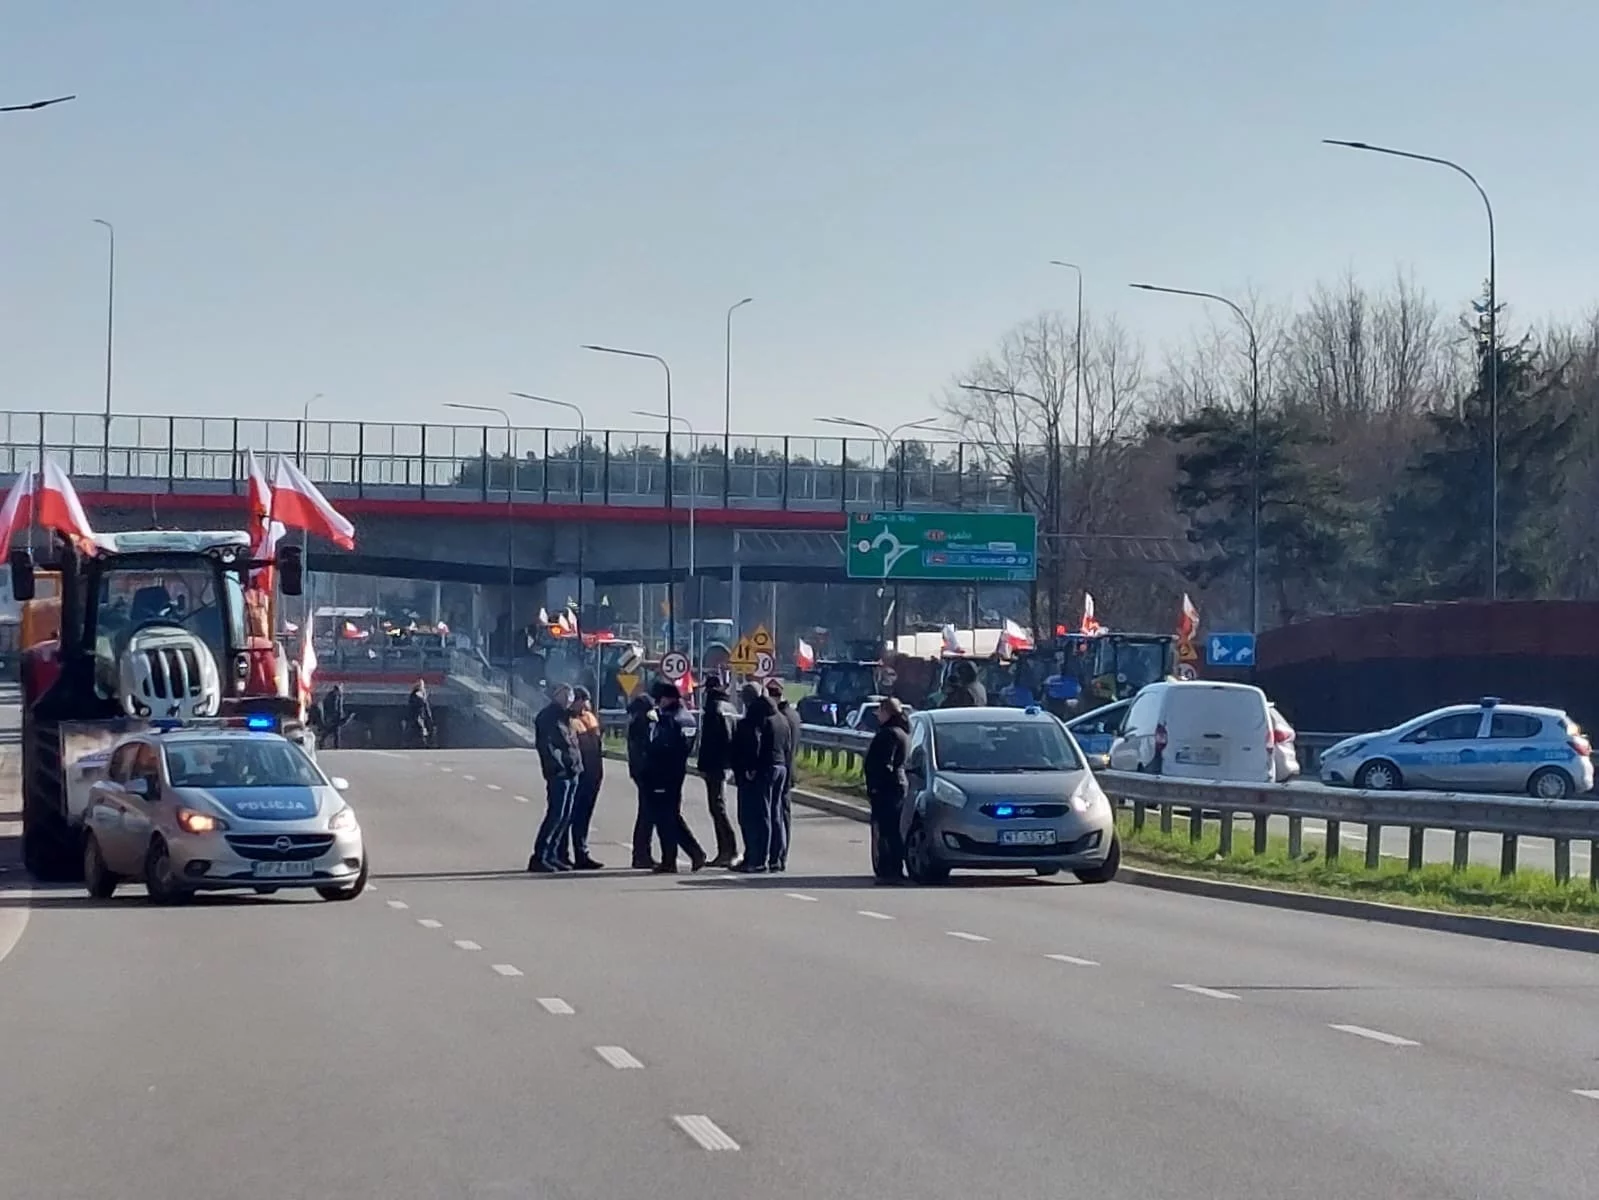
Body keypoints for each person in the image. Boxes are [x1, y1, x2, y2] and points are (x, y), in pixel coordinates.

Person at [642, 682, 706, 873]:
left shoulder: (669, 719)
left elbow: (660, 746)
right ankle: (687, 854)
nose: (658, 703)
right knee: (671, 816)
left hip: (662, 773)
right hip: (677, 771)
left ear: (667, 699)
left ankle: (677, 858)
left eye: (660, 699)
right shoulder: (688, 718)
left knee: (665, 818)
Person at [730, 682, 791, 872]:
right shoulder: (780, 717)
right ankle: (776, 858)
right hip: (781, 766)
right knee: (775, 814)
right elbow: (787, 745)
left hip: (763, 768)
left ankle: (758, 860)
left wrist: (750, 767)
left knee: (760, 815)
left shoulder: (756, 716)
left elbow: (753, 741)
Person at [529, 684, 582, 873]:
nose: (568, 699)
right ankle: (539, 857)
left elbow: (572, 744)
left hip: (572, 771)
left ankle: (552, 855)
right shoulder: (548, 717)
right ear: (556, 696)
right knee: (555, 815)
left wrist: (576, 765)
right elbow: (547, 746)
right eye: (564, 695)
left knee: (565, 816)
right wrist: (557, 766)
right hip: (558, 773)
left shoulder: (567, 717)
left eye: (570, 696)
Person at [863, 696, 912, 883]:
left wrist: (876, 786)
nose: (877, 715)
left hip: (887, 788)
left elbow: (885, 764)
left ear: (888, 712)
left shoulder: (889, 734)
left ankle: (889, 871)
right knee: (892, 830)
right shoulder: (901, 732)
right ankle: (894, 869)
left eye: (880, 711)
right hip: (896, 786)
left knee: (886, 831)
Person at [696, 675, 739, 867]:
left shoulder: (713, 708)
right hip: (726, 764)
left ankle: (729, 850)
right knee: (718, 807)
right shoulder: (730, 707)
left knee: (717, 808)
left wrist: (703, 765)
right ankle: (726, 850)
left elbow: (710, 741)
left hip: (715, 765)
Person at [562, 686, 605, 870]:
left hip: (594, 773)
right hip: (579, 773)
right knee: (568, 816)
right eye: (582, 700)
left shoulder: (590, 717)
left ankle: (582, 854)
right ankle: (562, 854)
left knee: (584, 817)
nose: (585, 704)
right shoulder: (568, 720)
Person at [766, 678, 803, 871]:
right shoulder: (794, 715)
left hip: (781, 768)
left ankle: (778, 855)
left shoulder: (781, 717)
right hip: (789, 769)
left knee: (777, 813)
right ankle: (781, 855)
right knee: (784, 814)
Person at [625, 692, 660, 869]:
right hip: (646, 773)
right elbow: (648, 747)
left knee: (645, 814)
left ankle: (641, 854)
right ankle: (641, 854)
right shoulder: (643, 723)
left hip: (639, 772)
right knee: (647, 816)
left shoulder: (635, 721)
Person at [407, 679, 434, 748]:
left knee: (418, 735)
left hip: (418, 719)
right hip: (417, 719)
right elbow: (423, 706)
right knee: (419, 734)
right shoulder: (417, 696)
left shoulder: (415, 696)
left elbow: (426, 708)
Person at [322, 683, 349, 749]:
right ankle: (324, 741)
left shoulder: (339, 696)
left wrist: (341, 714)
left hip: (337, 715)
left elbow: (340, 706)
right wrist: (328, 716)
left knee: (336, 731)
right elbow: (328, 707)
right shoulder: (330, 697)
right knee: (331, 730)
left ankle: (336, 745)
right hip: (332, 715)